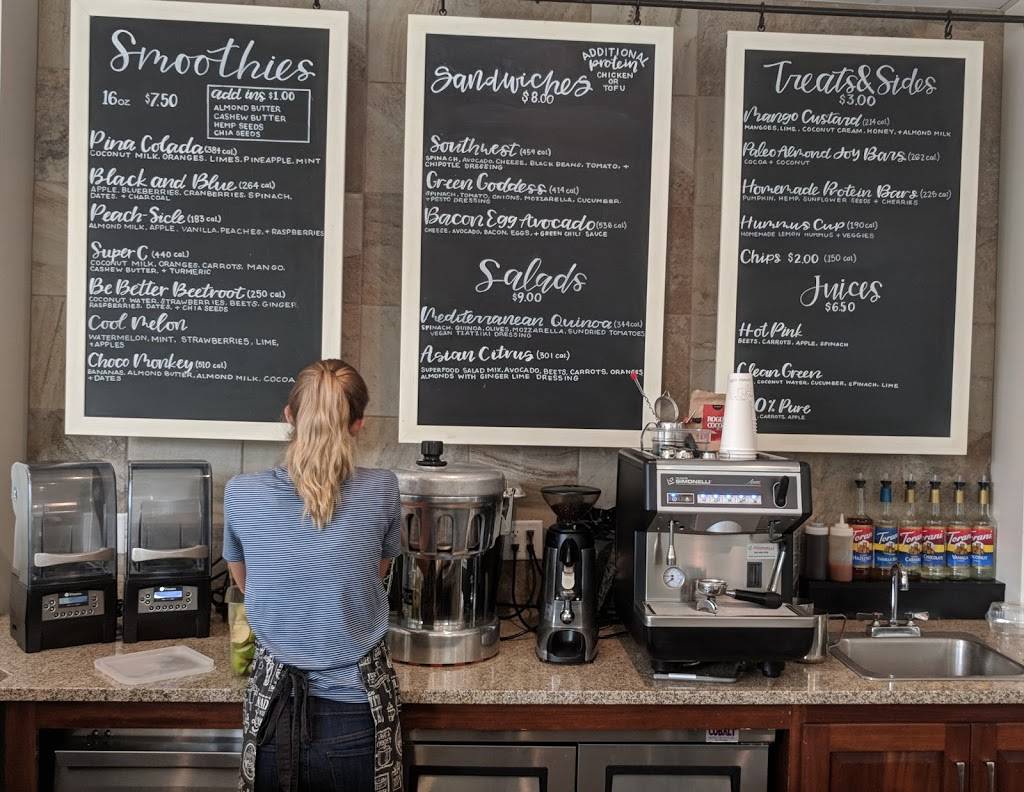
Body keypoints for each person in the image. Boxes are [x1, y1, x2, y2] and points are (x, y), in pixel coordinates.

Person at [223, 359, 404, 792]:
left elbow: (247, 585)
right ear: (358, 423)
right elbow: (374, 577)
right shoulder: (383, 489)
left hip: (272, 711)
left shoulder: (240, 493)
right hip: (358, 713)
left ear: (289, 416)